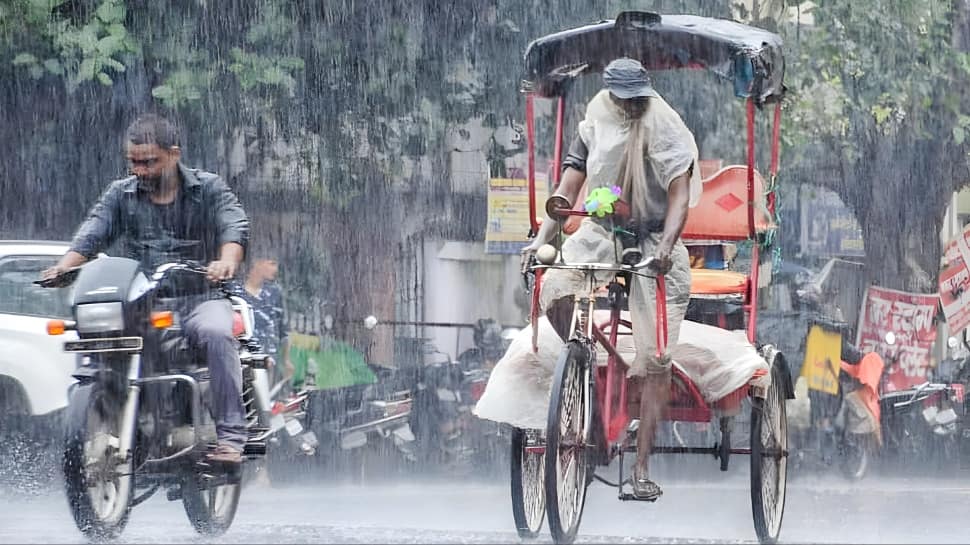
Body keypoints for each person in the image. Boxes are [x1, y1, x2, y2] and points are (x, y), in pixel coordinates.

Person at [521, 58, 701, 500]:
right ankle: (579, 368)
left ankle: (639, 470)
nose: (633, 105)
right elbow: (568, 188)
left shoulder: (666, 124)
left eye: (639, 97)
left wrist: (662, 250)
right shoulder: (598, 114)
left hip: (655, 239)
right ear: (612, 94)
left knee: (657, 355)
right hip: (602, 231)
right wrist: (541, 239)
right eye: (626, 98)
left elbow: (679, 196)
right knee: (555, 286)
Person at [40, 113, 251, 463]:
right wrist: (65, 266)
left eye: (149, 161)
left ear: (174, 154)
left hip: (201, 295)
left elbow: (234, 226)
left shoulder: (209, 188)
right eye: (134, 162)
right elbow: (94, 232)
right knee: (99, 333)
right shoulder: (120, 195)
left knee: (216, 332)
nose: (140, 170)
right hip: (144, 300)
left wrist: (227, 260)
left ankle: (231, 436)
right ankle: (115, 415)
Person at [228, 251, 293, 385]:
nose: (275, 269)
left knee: (266, 402)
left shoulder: (274, 292)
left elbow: (283, 331)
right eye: (272, 264)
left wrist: (286, 360)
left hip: (269, 362)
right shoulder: (233, 292)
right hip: (240, 361)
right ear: (257, 263)